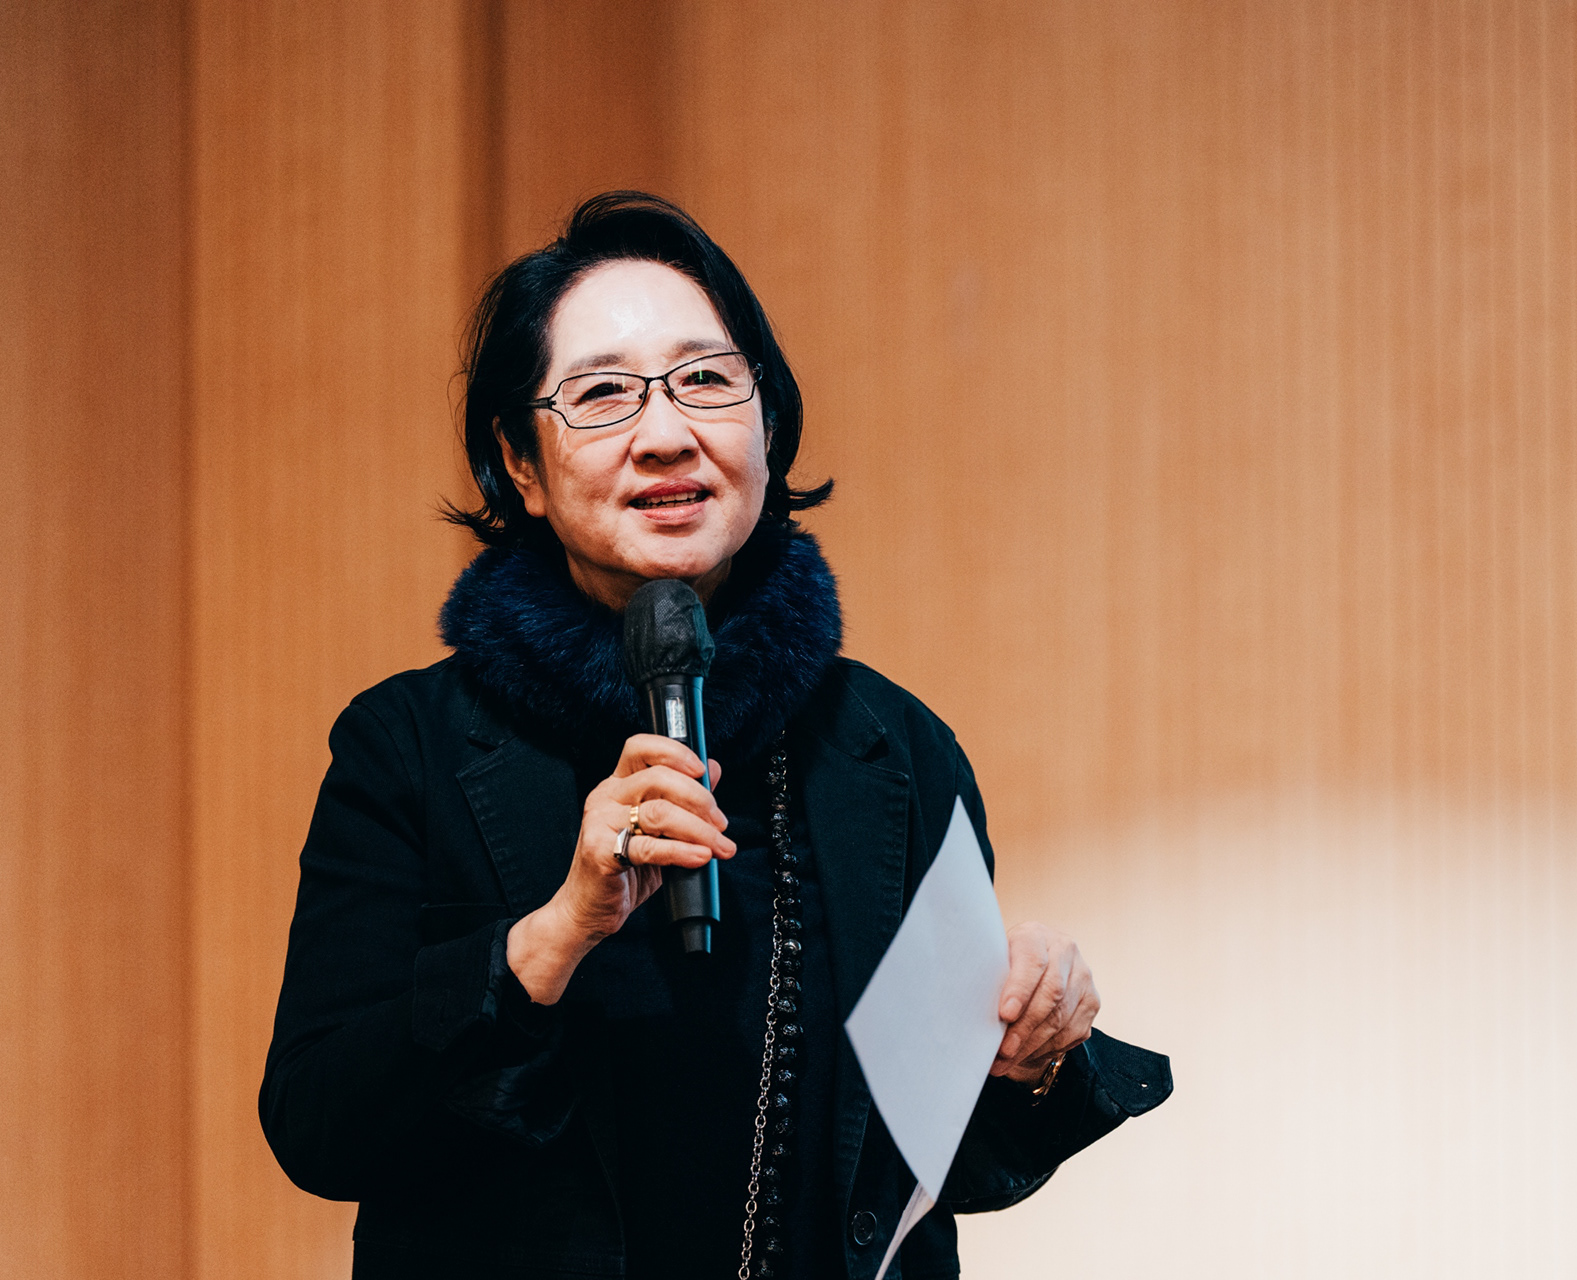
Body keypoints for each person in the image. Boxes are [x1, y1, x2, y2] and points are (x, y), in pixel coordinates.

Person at [261, 191, 1171, 1280]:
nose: (665, 434)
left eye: (705, 380)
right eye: (602, 393)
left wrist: (1033, 1047)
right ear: (520, 464)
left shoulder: (892, 747)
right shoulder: (409, 746)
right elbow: (319, 1122)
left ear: (767, 426)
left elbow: (937, 1161)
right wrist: (552, 935)